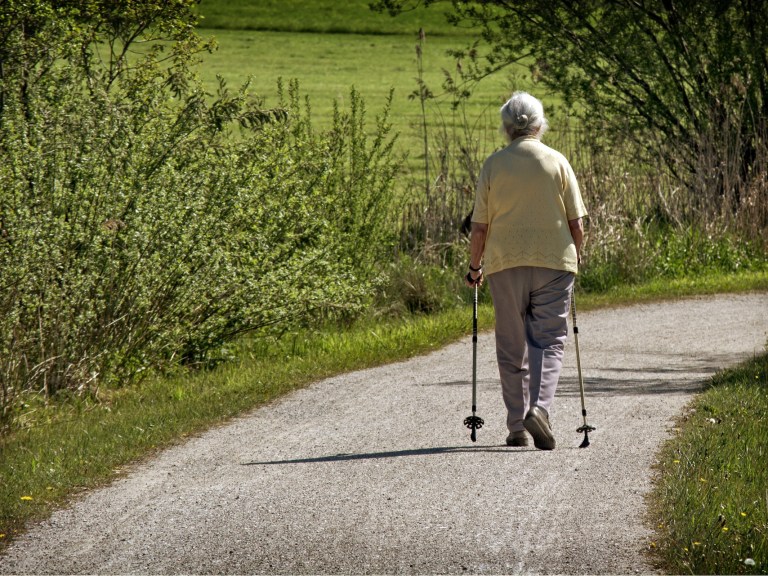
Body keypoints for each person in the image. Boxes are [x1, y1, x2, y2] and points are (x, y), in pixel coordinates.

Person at [465, 91, 587, 450]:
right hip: (554, 263)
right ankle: (540, 409)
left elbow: (479, 229)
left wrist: (475, 267)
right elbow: (576, 222)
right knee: (548, 339)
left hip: (505, 264)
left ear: (507, 128)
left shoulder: (494, 165)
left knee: (510, 343)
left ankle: (517, 425)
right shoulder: (557, 162)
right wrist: (576, 257)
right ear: (539, 124)